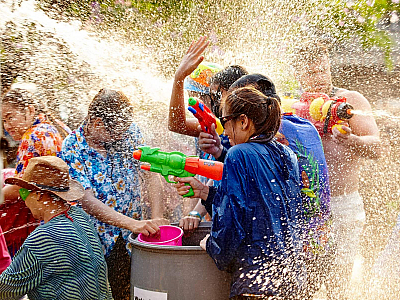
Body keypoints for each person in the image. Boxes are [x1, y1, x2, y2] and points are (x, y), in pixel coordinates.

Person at [175, 87, 305, 299]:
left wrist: (212, 245)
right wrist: (206, 193)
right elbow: (261, 207)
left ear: (243, 121)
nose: (224, 132)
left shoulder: (239, 153)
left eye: (225, 121)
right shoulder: (285, 153)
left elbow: (233, 220)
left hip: (256, 284)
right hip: (291, 278)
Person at [291, 42, 382, 299]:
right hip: (305, 207)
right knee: (304, 283)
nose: (319, 78)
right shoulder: (292, 106)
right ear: (298, 75)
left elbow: (377, 146)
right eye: (311, 73)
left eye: (323, 70)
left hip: (343, 204)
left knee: (338, 284)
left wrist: (352, 140)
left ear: (330, 67)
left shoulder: (349, 101)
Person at [61, 88, 168, 300]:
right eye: (116, 132)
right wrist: (130, 223)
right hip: (98, 244)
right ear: (97, 123)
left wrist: (156, 215)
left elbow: (151, 174)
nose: (121, 136)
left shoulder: (130, 133)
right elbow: (86, 200)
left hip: (136, 237)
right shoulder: (73, 147)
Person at [0, 156, 113, 299]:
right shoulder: (80, 216)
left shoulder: (43, 238)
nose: (24, 201)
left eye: (24, 193)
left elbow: (5, 291)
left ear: (39, 195)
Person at [169, 36, 247, 232]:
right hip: (213, 207)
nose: (194, 103)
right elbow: (176, 124)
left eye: (202, 97)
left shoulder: (245, 131)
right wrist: (179, 78)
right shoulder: (213, 124)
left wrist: (197, 210)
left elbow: (229, 173)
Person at [0, 88, 68, 257]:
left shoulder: (31, 137)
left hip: (39, 218)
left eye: (10, 117)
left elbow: (20, 188)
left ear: (29, 110)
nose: (7, 126)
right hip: (59, 212)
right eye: (3, 120)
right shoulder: (50, 129)